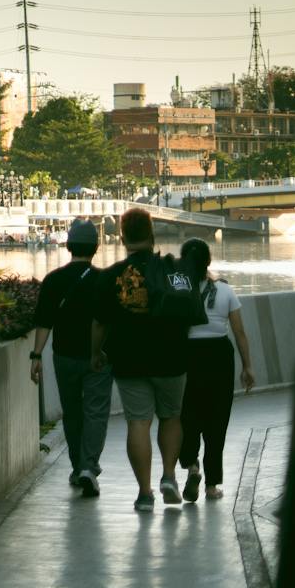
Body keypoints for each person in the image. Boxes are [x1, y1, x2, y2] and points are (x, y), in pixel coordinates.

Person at [90, 208, 204, 511]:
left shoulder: (112, 275)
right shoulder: (172, 270)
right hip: (172, 357)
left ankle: (144, 493)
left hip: (130, 360)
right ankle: (169, 476)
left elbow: (100, 323)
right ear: (151, 234)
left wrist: (95, 353)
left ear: (124, 237)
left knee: (138, 422)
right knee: (171, 416)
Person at [30, 218, 110, 497]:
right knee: (97, 412)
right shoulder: (104, 280)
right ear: (95, 248)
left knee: (72, 412)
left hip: (64, 356)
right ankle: (89, 466)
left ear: (68, 246)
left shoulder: (53, 280)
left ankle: (78, 467)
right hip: (98, 357)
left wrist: (36, 355)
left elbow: (44, 322)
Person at [176, 238, 256, 501]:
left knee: (187, 416)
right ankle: (211, 486)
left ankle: (191, 465)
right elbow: (240, 332)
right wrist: (247, 366)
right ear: (208, 261)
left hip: (188, 356)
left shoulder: (179, 291)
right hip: (220, 356)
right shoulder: (225, 290)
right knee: (216, 421)